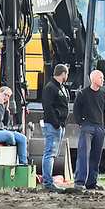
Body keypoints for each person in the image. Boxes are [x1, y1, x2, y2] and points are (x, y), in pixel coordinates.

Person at [73, 70, 105, 191]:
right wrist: (81, 124)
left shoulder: (103, 94)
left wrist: (104, 125)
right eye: (100, 78)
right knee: (83, 155)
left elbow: (104, 110)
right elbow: (76, 109)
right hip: (87, 127)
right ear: (93, 79)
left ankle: (92, 182)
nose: (103, 80)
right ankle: (79, 181)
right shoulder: (83, 94)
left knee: (96, 156)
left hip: (99, 127)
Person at [40, 64, 70, 193]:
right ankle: (47, 182)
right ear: (63, 74)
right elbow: (48, 107)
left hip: (59, 125)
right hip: (53, 126)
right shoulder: (50, 88)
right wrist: (56, 124)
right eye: (66, 74)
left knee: (53, 154)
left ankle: (48, 181)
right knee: (49, 153)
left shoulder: (61, 88)